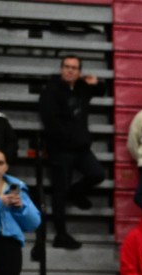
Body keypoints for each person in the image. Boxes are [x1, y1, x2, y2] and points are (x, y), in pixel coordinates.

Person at [37, 55, 107, 251]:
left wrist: (95, 82)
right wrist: (66, 140)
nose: (70, 70)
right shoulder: (51, 90)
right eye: (67, 66)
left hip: (81, 149)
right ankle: (61, 235)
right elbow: (49, 121)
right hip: (60, 150)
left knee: (98, 174)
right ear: (61, 69)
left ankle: (75, 192)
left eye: (74, 68)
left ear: (79, 72)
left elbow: (101, 90)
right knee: (59, 193)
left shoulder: (82, 88)